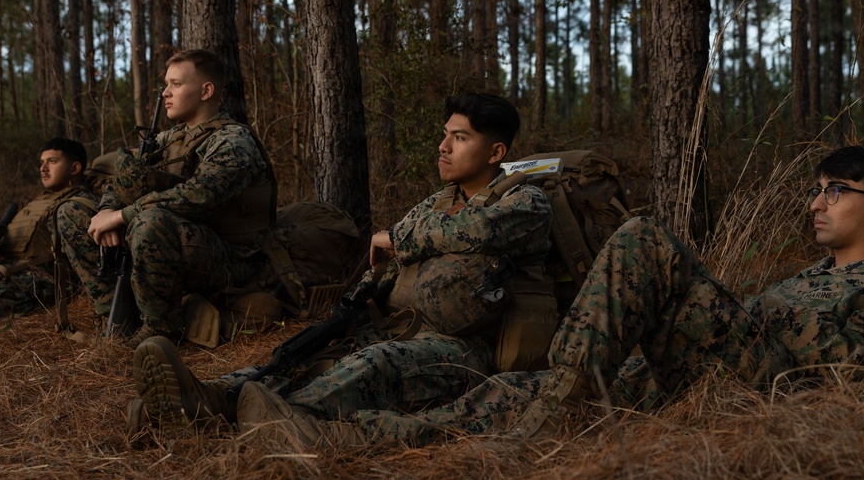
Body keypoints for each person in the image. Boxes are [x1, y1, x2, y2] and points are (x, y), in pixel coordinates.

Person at [233, 145, 864, 448]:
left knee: (643, 238)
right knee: (497, 395)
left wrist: (740, 320)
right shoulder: (803, 279)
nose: (817, 201)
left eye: (835, 190)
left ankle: (554, 409)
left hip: (761, 384)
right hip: (689, 374)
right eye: (815, 188)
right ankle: (316, 431)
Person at [126, 92, 554, 434]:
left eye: (460, 138)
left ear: (496, 151)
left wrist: (396, 238)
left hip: (463, 349)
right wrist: (349, 312)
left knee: (371, 365)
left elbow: (472, 230)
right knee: (304, 355)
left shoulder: (524, 202)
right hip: (395, 323)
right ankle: (209, 396)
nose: (442, 147)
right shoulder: (435, 203)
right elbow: (384, 268)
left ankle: (258, 418)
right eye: (445, 135)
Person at [57, 48, 276, 348]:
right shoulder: (167, 139)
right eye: (165, 84)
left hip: (231, 258)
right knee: (71, 212)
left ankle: (161, 330)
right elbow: (120, 181)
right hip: (177, 243)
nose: (165, 93)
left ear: (206, 91)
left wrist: (122, 216)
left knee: (149, 222)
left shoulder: (233, 141)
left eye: (176, 84)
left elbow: (198, 196)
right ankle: (116, 316)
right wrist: (107, 210)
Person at [0, 138, 93, 319]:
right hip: (8, 270)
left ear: (75, 168)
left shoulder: (77, 205)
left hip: (43, 281)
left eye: (52, 161)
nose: (43, 168)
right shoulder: (40, 200)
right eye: (41, 162)